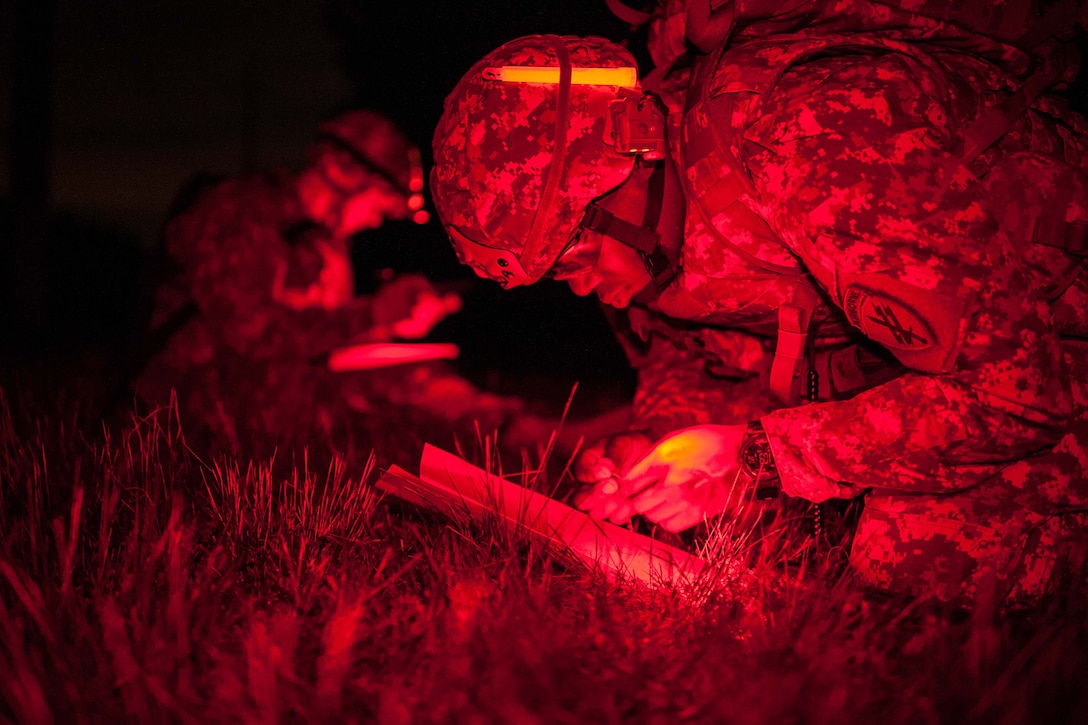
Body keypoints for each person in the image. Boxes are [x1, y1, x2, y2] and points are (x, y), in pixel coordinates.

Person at [430, 1, 1088, 604]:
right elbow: (694, 350)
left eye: (573, 256)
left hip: (1054, 350)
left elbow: (1017, 393)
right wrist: (659, 445)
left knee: (920, 560)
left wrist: (757, 455)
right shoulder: (655, 228)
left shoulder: (812, 133)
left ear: (629, 166)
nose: (577, 286)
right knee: (789, 529)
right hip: (942, 371)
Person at [135, 109, 514, 452]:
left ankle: (506, 424)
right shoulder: (242, 214)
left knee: (404, 379)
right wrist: (372, 314)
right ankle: (498, 431)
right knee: (370, 406)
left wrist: (394, 323)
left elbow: (319, 336)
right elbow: (253, 338)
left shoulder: (321, 243)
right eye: (379, 204)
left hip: (262, 386)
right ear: (341, 172)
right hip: (193, 395)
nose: (376, 221)